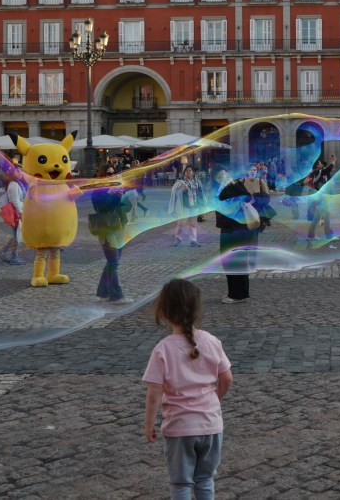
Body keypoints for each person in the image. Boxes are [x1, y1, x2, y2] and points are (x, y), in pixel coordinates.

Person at [143, 279, 233, 500]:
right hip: (211, 425)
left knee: (181, 483)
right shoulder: (211, 341)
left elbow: (154, 391)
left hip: (180, 428)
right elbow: (227, 377)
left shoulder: (163, 349)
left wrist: (149, 424)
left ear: (163, 311)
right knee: (205, 480)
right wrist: (215, 398)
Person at [216, 170, 256, 304]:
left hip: (235, 229)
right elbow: (220, 198)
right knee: (230, 261)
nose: (224, 178)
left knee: (235, 262)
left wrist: (233, 183)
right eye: (221, 176)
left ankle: (237, 295)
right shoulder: (221, 189)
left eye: (226, 175)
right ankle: (237, 293)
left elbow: (247, 197)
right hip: (229, 228)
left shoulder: (235, 186)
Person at [92, 165, 130, 303]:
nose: (112, 175)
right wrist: (110, 194)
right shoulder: (97, 191)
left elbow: (123, 208)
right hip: (106, 229)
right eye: (109, 173)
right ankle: (116, 296)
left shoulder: (116, 188)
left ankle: (102, 293)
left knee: (113, 261)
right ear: (102, 175)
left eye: (113, 173)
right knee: (113, 262)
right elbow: (101, 208)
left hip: (118, 227)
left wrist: (121, 197)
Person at [0, 172, 26, 264]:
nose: (21, 173)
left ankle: (4, 252)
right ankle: (12, 256)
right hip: (15, 212)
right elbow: (14, 200)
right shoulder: (13, 184)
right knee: (17, 235)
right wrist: (20, 212)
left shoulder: (17, 183)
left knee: (16, 235)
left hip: (17, 211)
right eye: (18, 171)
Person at [169, 167, 202, 247]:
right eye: (186, 171)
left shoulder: (197, 182)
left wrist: (202, 203)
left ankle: (193, 241)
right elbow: (174, 192)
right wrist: (182, 190)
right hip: (184, 206)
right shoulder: (180, 182)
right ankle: (178, 239)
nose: (188, 172)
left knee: (193, 224)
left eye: (190, 170)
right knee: (181, 223)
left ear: (193, 172)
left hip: (194, 205)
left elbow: (201, 193)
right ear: (184, 173)